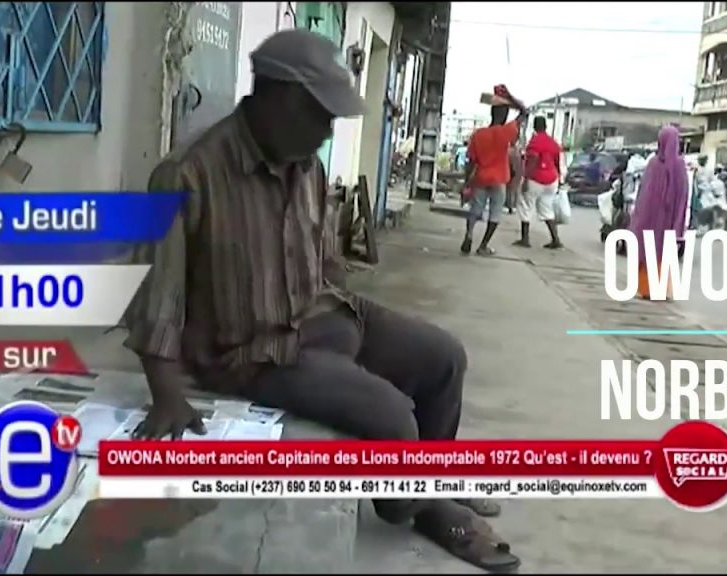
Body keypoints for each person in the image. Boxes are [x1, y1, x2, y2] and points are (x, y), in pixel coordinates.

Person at [120, 29, 521, 573]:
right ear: (278, 97)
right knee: (391, 415)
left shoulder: (303, 162)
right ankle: (417, 505)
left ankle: (428, 480)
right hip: (252, 350)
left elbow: (321, 255)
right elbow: (155, 295)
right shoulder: (187, 173)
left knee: (444, 359)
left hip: (323, 312)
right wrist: (166, 394)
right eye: (321, 115)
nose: (329, 130)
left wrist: (344, 312)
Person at [627, 126, 689, 300]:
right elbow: (683, 196)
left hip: (649, 218)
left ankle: (647, 288)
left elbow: (643, 195)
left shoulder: (654, 164)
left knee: (648, 250)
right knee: (662, 251)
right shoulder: (679, 165)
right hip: (668, 219)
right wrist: (679, 222)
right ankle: (659, 289)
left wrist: (637, 217)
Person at [461, 93, 525, 256]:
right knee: (495, 214)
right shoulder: (506, 131)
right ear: (504, 116)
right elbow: (524, 113)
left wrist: (467, 181)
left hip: (481, 177)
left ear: (491, 114)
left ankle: (469, 235)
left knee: (475, 210)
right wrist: (511, 97)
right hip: (499, 179)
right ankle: (483, 245)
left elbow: (471, 161)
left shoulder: (479, 134)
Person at [513, 116, 563, 248]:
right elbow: (558, 162)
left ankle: (525, 239)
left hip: (536, 178)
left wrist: (526, 179)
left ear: (534, 127)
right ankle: (555, 239)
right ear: (545, 126)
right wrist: (560, 177)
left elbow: (533, 159)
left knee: (525, 206)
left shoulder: (534, 142)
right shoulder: (553, 142)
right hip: (552, 179)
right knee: (547, 209)